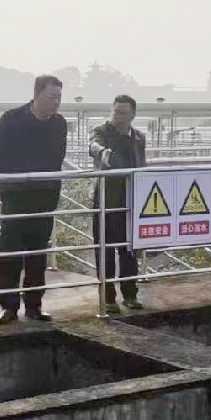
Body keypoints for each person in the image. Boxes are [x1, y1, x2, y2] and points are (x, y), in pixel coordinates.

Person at [0, 75, 68, 325]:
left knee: (37, 256)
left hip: (44, 198)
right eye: (51, 97)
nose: (56, 102)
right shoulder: (12, 119)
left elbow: (57, 158)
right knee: (10, 254)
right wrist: (22, 176)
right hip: (16, 198)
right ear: (37, 94)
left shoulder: (59, 124)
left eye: (59, 97)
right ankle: (8, 307)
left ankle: (34, 305)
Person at [89, 95, 146, 314]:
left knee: (129, 250)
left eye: (123, 113)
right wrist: (102, 153)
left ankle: (130, 294)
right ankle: (108, 297)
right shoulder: (102, 132)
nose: (118, 116)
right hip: (106, 200)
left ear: (133, 115)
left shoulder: (138, 138)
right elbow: (93, 145)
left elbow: (142, 165)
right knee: (105, 250)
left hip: (131, 200)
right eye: (115, 111)